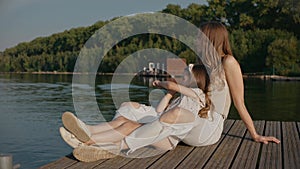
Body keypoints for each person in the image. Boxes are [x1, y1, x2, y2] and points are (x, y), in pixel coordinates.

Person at [60, 21, 280, 162]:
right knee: (131, 123)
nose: (197, 40)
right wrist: (168, 88)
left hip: (209, 127)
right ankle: (87, 136)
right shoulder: (199, 66)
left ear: (212, 38)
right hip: (188, 122)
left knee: (169, 116)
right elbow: (182, 95)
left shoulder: (228, 62)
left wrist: (255, 134)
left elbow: (239, 102)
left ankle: (112, 146)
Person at [61, 64, 213, 161]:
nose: (182, 75)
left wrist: (161, 83)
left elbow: (174, 86)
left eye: (186, 73)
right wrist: (169, 94)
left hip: (168, 140)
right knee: (124, 122)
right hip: (160, 131)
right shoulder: (181, 99)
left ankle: (86, 141)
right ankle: (87, 130)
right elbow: (159, 111)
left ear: (195, 79)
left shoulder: (198, 94)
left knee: (128, 126)